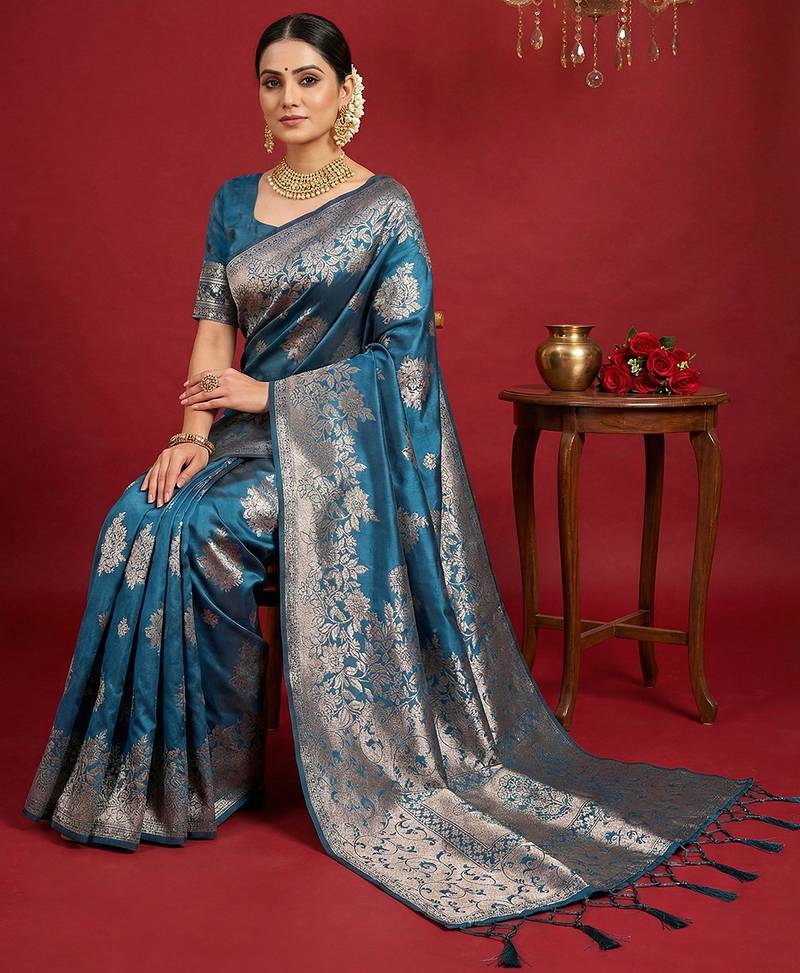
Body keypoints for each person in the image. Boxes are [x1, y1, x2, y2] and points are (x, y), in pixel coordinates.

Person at [22, 11, 798, 967]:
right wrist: (188, 435)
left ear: (347, 91)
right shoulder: (231, 202)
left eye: (309, 78)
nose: (290, 97)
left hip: (341, 460)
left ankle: (218, 773)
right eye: (272, 81)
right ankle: (178, 769)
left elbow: (407, 368)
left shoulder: (386, 208)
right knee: (136, 517)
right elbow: (212, 335)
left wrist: (270, 396)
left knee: (209, 530)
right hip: (240, 441)